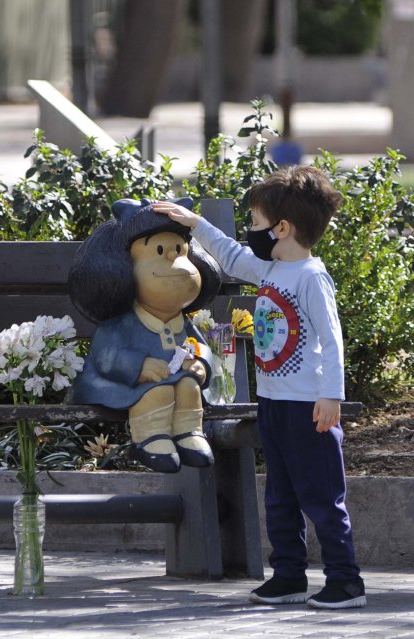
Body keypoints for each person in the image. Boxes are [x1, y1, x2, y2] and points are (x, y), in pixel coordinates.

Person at [153, 166, 365, 609]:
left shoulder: (310, 277)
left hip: (309, 407)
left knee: (322, 497)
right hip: (274, 402)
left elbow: (332, 339)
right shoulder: (270, 269)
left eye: (255, 222)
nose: (251, 231)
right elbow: (229, 256)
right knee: (280, 495)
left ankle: (345, 581)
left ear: (282, 228)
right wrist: (195, 224)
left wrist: (332, 395)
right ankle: (288, 575)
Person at [68, 197, 222, 473]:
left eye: (180, 250)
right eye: (161, 250)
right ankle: (151, 438)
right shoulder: (125, 321)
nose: (175, 261)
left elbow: (199, 344)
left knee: (189, 388)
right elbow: (106, 355)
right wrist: (139, 366)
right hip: (133, 384)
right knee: (157, 392)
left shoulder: (181, 321)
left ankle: (189, 433)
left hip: (179, 378)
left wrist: (201, 361)